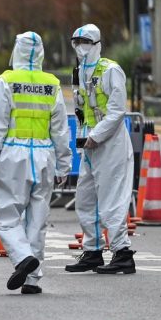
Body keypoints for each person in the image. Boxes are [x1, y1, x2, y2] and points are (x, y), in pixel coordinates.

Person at [0, 32, 72, 294]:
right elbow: (61, 130)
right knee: (37, 220)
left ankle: (22, 258)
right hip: (44, 156)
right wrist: (64, 165)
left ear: (16, 51)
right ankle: (32, 280)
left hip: (13, 156)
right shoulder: (51, 83)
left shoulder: (7, 81)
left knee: (7, 217)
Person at [65, 24, 136, 274]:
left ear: (96, 44)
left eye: (85, 42)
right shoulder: (79, 73)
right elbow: (82, 111)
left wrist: (96, 135)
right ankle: (93, 251)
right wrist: (85, 139)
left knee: (111, 200)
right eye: (76, 42)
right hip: (90, 145)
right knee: (85, 199)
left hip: (111, 143)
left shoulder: (111, 70)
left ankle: (122, 253)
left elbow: (117, 111)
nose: (80, 47)